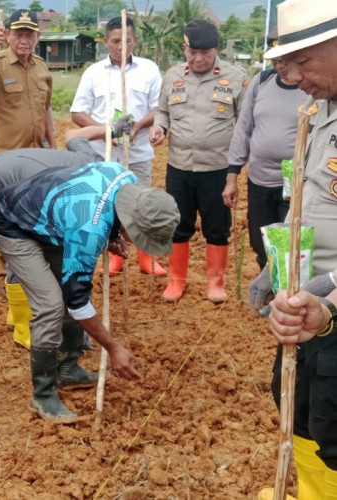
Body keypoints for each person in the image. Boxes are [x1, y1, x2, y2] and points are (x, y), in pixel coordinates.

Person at [0, 160, 180, 421]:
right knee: (51, 304)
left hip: (53, 221)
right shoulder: (88, 229)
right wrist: (112, 347)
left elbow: (106, 206)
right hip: (13, 224)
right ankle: (42, 395)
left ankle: (68, 370)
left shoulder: (127, 179)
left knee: (69, 289)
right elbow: (77, 301)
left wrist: (112, 236)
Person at [247, 0, 337, 497]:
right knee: (298, 409)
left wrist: (327, 292)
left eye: (305, 61)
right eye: (286, 63)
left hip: (328, 308)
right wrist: (277, 269)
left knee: (333, 433)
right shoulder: (321, 108)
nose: (294, 75)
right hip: (304, 308)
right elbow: (308, 202)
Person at [0, 125, 121, 362]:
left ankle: (71, 334)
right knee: (24, 258)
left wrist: (113, 236)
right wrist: (110, 128)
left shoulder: (95, 170)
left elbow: (75, 136)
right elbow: (78, 273)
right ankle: (25, 328)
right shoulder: (85, 200)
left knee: (59, 256)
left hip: (37, 190)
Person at [150, 19, 246, 303]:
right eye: (192, 52)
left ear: (216, 49)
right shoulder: (173, 76)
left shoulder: (235, 77)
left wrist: (237, 168)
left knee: (217, 225)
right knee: (178, 223)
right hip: (179, 166)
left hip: (216, 169)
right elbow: (162, 110)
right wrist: (159, 127)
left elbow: (244, 122)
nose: (198, 58)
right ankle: (176, 280)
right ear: (184, 49)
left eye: (205, 52)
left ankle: (215, 282)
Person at [71, 16, 166, 277]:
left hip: (138, 153)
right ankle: (115, 256)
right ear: (105, 42)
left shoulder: (149, 70)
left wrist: (137, 127)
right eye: (115, 41)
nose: (121, 47)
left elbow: (159, 108)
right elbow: (77, 112)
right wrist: (106, 132)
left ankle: (147, 258)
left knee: (142, 205)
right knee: (107, 206)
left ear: (134, 40)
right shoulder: (94, 72)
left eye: (126, 41)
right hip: (104, 155)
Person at [222, 47, 307, 270]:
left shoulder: (310, 86)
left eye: (285, 60)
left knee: (290, 245)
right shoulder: (262, 81)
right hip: (260, 181)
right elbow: (243, 128)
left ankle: (288, 298)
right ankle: (268, 295)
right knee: (262, 244)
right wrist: (232, 176)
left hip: (296, 183)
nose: (279, 66)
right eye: (275, 61)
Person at [0, 9, 55, 154]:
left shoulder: (42, 66)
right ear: (7, 35)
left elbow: (46, 109)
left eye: (30, 36)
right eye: (18, 35)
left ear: (38, 36)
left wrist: (53, 146)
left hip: (38, 154)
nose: (24, 41)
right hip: (6, 155)